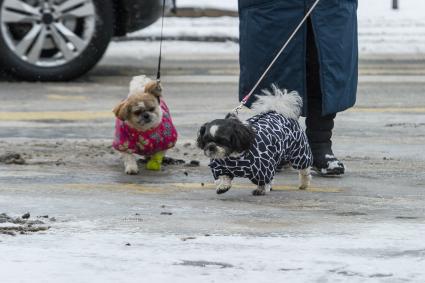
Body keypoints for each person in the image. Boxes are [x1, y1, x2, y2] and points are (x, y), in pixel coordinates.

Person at [238, 0, 358, 176]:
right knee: (274, 77)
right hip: (272, 10)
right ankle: (278, 145)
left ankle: (319, 146)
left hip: (328, 8)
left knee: (323, 71)